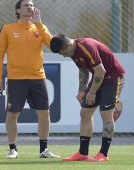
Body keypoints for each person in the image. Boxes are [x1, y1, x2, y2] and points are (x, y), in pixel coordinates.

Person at [0, 0, 60, 159]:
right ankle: (13, 149)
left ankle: (44, 150)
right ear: (18, 10)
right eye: (26, 5)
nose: (30, 7)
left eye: (32, 5)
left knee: (44, 113)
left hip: (38, 77)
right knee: (13, 114)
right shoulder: (8, 29)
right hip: (16, 78)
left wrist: (39, 23)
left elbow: (52, 45)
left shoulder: (39, 27)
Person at [50, 34, 125, 162]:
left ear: (69, 45)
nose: (64, 55)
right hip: (99, 78)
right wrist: (82, 90)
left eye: (64, 52)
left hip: (113, 77)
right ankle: (83, 153)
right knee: (85, 113)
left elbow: (101, 71)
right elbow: (83, 70)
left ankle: (103, 154)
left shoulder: (86, 46)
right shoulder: (73, 51)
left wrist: (92, 92)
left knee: (106, 114)